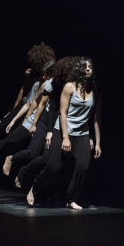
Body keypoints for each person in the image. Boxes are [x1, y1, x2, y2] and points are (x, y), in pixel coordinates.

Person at [28, 57, 102, 210]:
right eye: (85, 67)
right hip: (62, 130)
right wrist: (65, 138)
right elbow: (63, 113)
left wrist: (97, 141)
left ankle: (72, 199)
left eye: (90, 67)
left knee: (83, 166)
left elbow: (95, 118)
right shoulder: (69, 87)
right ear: (79, 69)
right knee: (54, 166)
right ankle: (35, 187)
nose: (88, 69)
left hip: (82, 133)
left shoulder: (95, 91)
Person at [2, 56, 81, 177]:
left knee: (48, 159)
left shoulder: (79, 88)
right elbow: (47, 108)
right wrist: (37, 126)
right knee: (32, 153)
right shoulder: (56, 85)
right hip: (46, 122)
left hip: (61, 125)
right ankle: (12, 158)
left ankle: (33, 182)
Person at [0, 60, 55, 165]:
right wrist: (21, 119)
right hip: (32, 118)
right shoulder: (42, 85)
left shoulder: (55, 86)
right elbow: (31, 103)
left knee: (20, 146)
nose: (44, 76)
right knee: (10, 140)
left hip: (44, 123)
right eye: (43, 74)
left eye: (47, 75)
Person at [0, 43, 55, 138]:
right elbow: (23, 90)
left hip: (32, 109)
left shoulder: (47, 77)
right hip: (24, 105)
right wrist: (14, 109)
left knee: (12, 132)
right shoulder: (31, 73)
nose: (33, 66)